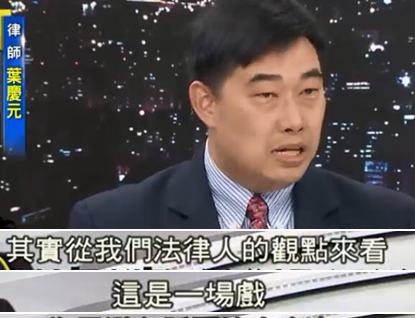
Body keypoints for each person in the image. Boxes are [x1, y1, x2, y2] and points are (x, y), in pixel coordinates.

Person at [69, 0, 415, 230]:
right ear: (206, 103)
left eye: (309, 91)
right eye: (266, 95)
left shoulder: (390, 223)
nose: (295, 121)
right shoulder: (111, 225)